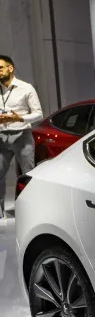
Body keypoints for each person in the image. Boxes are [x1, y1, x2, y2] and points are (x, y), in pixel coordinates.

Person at [0, 54, 43, 218]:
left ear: (10, 68)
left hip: (22, 135)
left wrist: (19, 118)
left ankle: (31, 209)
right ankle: (0, 210)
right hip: (2, 137)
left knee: (28, 173)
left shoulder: (26, 88)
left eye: (0, 68)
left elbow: (38, 114)